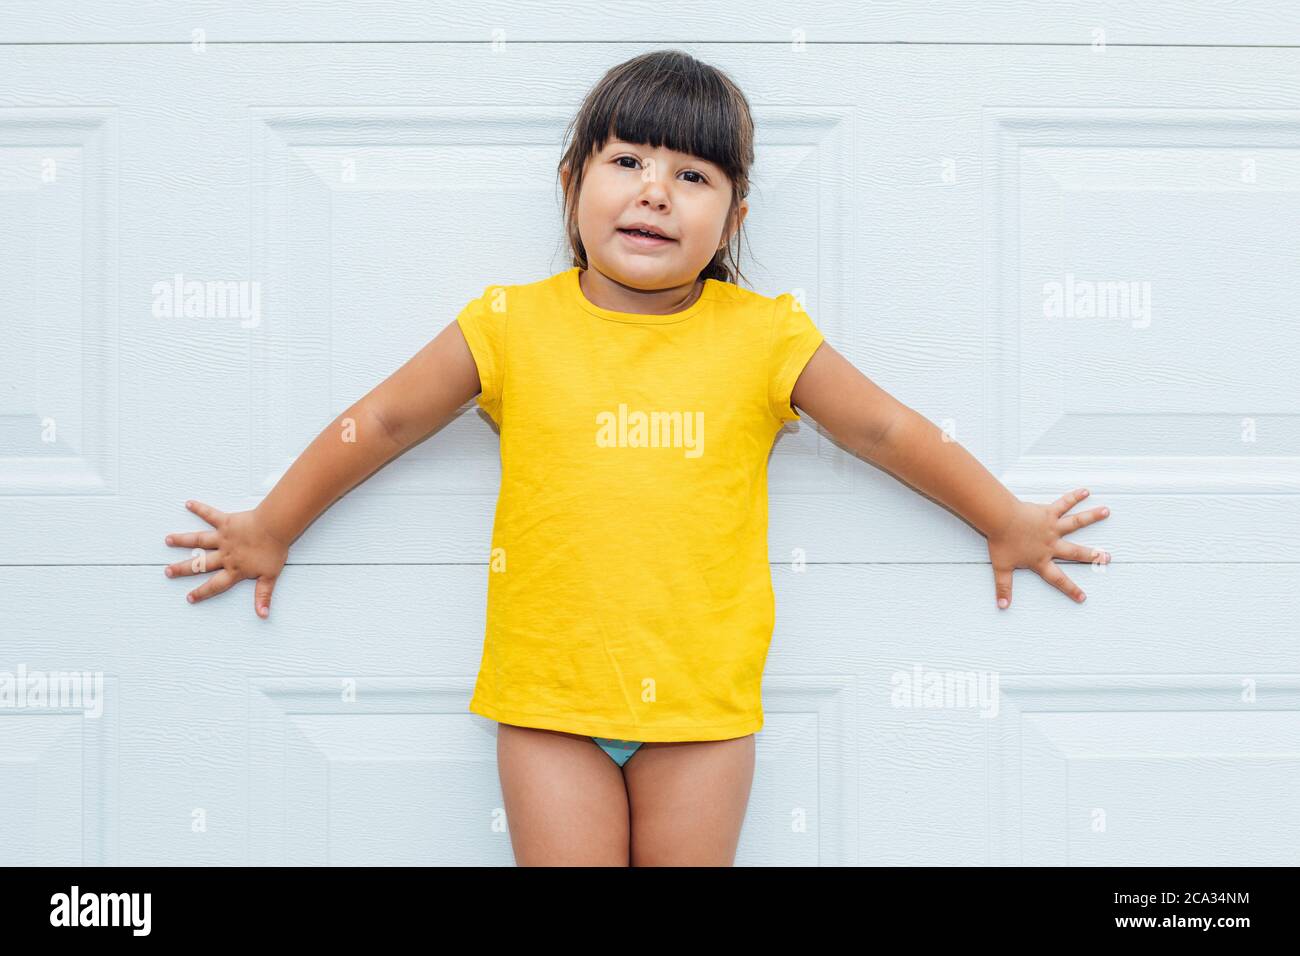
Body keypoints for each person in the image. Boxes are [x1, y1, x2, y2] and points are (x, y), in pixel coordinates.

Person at [163, 50, 1111, 866]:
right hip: (549, 702)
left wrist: (1005, 518)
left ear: (733, 221)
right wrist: (272, 525)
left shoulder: (764, 337)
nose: (656, 190)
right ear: (572, 183)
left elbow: (886, 431)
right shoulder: (511, 323)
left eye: (694, 175)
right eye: (627, 161)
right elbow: (381, 423)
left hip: (701, 708)